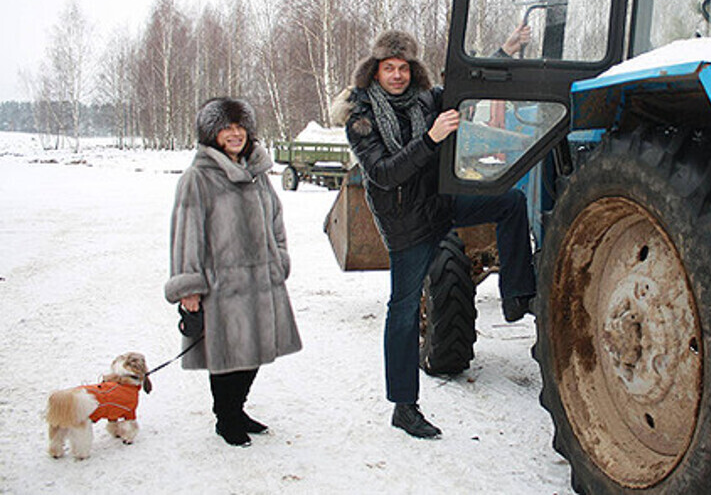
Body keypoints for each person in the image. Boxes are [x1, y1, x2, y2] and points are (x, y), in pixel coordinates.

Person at [331, 29, 536, 439]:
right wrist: (431, 138)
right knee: (404, 312)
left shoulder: (426, 99)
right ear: (375, 72)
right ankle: (404, 407)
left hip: (441, 203)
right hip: (406, 223)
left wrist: (504, 50)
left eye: (403, 68)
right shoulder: (361, 117)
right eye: (389, 68)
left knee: (511, 201)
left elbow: (468, 86)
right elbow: (384, 174)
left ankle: (517, 295)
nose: (397, 75)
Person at [164, 97, 302, 447]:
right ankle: (225, 418)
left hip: (262, 282)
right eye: (226, 128)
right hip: (221, 286)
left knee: (254, 353)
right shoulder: (197, 178)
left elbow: (275, 219)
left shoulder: (257, 174)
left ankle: (237, 409)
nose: (235, 134)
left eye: (240, 127)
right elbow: (186, 234)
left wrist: (279, 258)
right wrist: (189, 287)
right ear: (212, 134)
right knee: (226, 356)